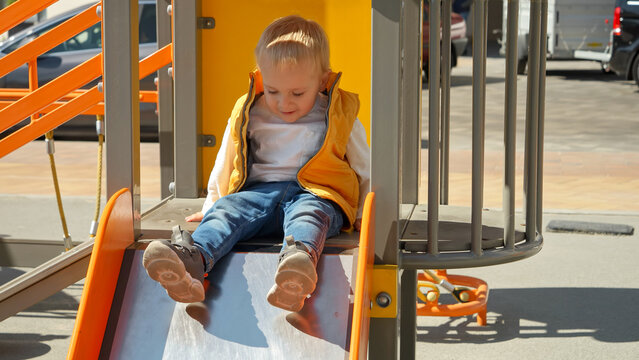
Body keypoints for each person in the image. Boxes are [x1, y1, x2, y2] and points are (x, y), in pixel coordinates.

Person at [142, 15, 370, 313]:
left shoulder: (338, 113)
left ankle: (296, 265)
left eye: (297, 93)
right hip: (258, 192)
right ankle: (192, 261)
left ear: (323, 80)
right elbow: (227, 157)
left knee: (309, 216)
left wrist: (364, 212)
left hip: (318, 194)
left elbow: (364, 166)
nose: (284, 102)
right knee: (227, 213)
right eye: (273, 90)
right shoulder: (250, 109)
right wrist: (213, 203)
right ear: (262, 76)